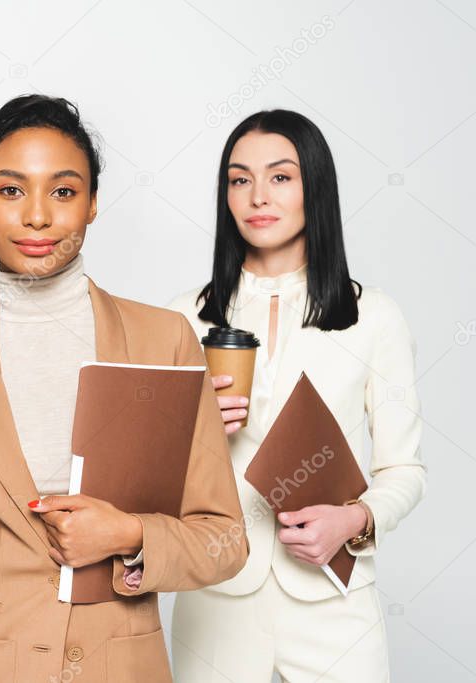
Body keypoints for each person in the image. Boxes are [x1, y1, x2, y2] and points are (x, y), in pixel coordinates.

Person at [0, 95, 247, 682]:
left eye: (64, 191)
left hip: (112, 662)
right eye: (11, 190)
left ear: (93, 203)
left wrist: (128, 533)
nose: (38, 217)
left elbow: (225, 539)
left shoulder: (163, 339)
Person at [167, 109, 426, 682]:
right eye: (239, 179)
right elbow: (148, 476)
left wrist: (356, 520)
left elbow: (404, 469)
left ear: (316, 186)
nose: (258, 195)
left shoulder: (372, 317)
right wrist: (190, 429)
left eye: (281, 177)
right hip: (217, 597)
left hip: (334, 602)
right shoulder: (181, 317)